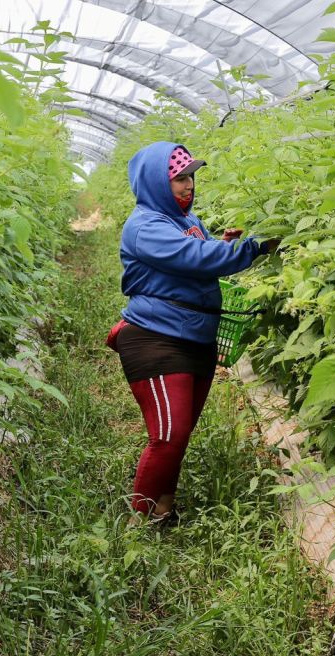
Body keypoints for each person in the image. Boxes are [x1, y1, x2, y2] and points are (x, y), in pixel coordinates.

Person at [105, 141, 279, 523]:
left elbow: (203, 255)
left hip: (196, 338)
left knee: (179, 435)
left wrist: (224, 246)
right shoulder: (145, 226)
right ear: (155, 182)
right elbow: (196, 258)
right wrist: (255, 247)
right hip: (155, 338)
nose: (188, 185)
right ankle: (138, 522)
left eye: (191, 177)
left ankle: (162, 510)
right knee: (168, 435)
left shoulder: (187, 221)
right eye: (179, 178)